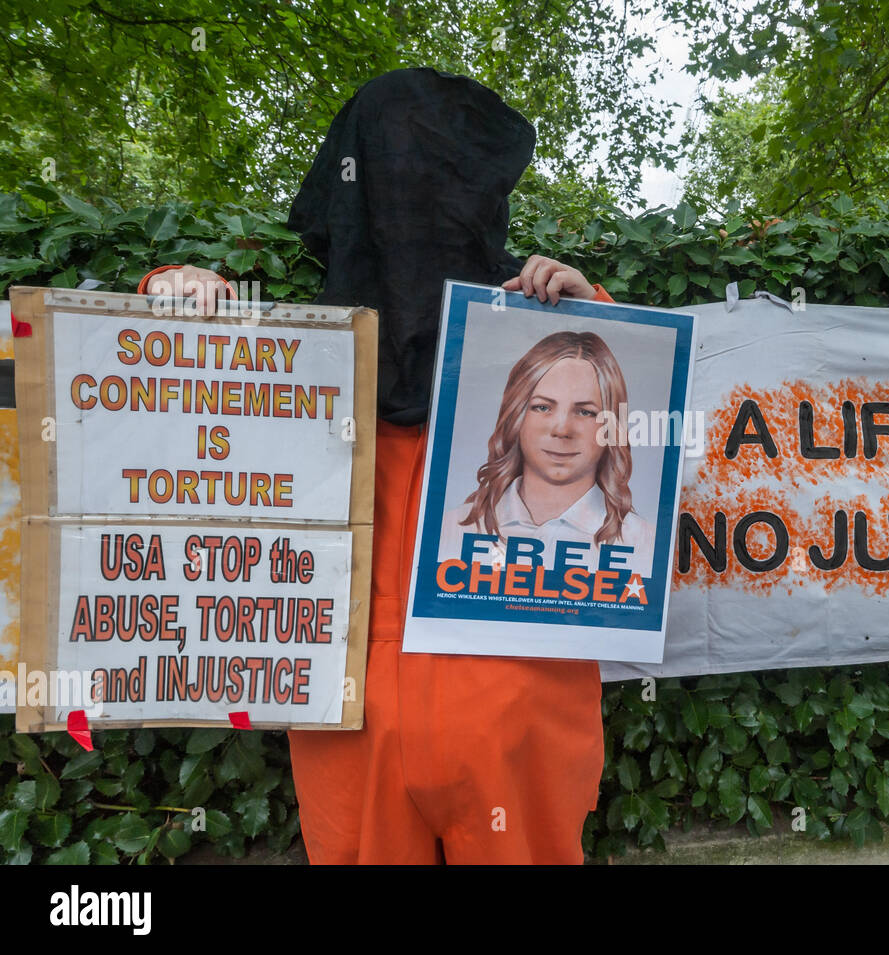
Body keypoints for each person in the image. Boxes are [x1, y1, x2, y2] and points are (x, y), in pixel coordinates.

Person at [140, 67, 616, 864]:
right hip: (345, 710)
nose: (412, 210)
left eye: (435, 181)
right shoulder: (287, 365)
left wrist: (595, 311)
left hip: (516, 716)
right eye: (390, 178)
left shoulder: (539, 350)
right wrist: (173, 293)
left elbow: (627, 427)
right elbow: (152, 408)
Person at [439, 329, 654, 579]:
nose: (562, 429)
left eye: (585, 412)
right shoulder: (453, 528)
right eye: (542, 407)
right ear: (516, 415)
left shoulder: (645, 544)